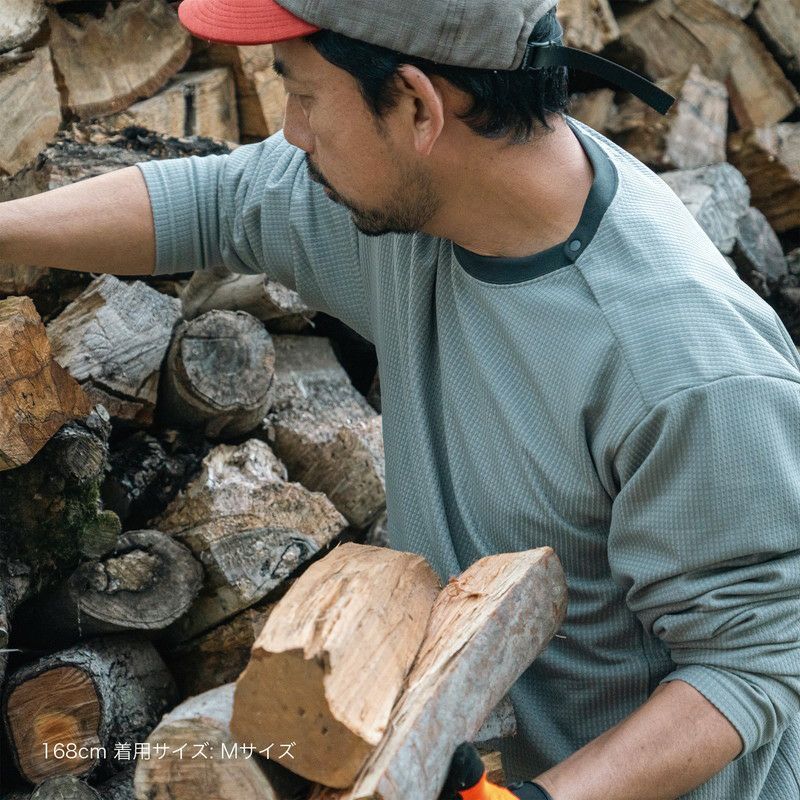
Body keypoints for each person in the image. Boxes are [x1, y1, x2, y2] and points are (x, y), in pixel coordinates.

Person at [1, 1, 799, 797]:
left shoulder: (685, 370)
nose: (292, 133)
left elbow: (752, 667)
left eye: (304, 96)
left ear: (417, 105)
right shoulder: (433, 200)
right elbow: (217, 203)